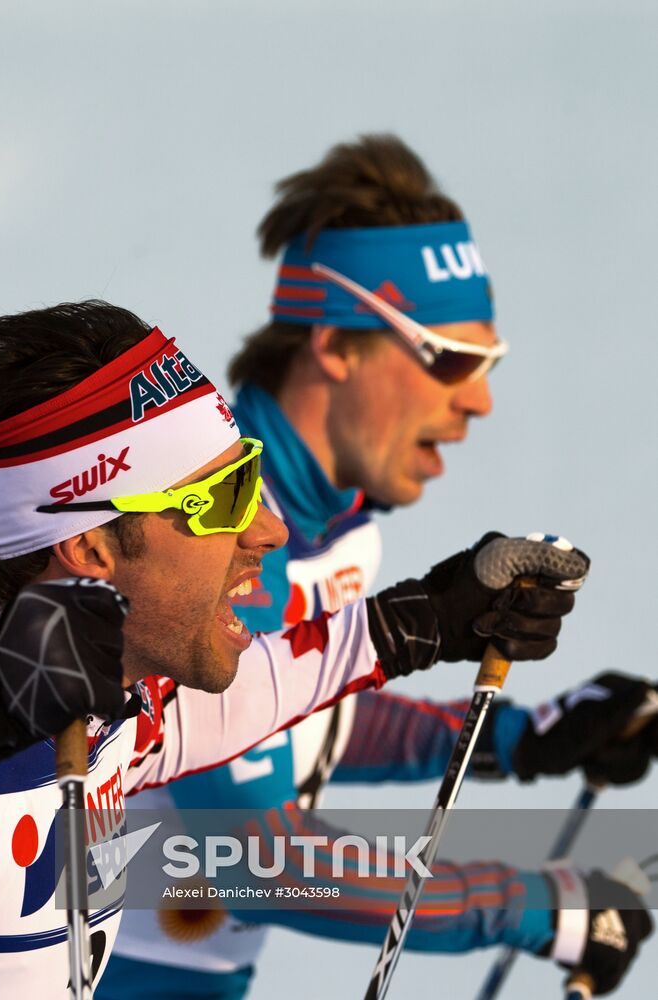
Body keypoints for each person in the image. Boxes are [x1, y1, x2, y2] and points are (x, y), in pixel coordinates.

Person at [0, 299, 590, 997]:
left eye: (252, 478)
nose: (268, 530)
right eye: (224, 498)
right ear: (92, 549)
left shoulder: (109, 704)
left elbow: (242, 704)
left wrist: (428, 620)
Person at [105, 137, 656, 999]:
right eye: (450, 358)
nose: (479, 400)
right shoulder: (208, 536)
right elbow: (257, 863)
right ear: (335, 344)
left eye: (489, 366)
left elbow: (285, 724)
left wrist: (520, 738)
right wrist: (535, 909)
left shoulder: (337, 528)